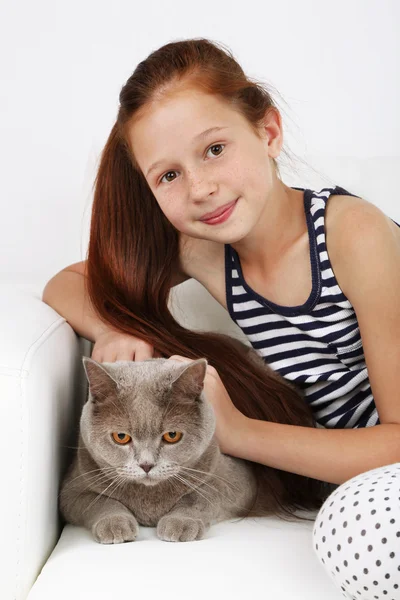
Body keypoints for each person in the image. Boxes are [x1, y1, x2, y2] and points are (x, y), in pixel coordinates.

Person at [42, 38, 400, 598]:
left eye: (214, 150)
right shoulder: (204, 250)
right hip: (362, 473)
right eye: (168, 176)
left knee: (357, 535)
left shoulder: (353, 235)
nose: (201, 189)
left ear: (268, 131)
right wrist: (116, 327)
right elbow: (64, 283)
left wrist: (240, 433)